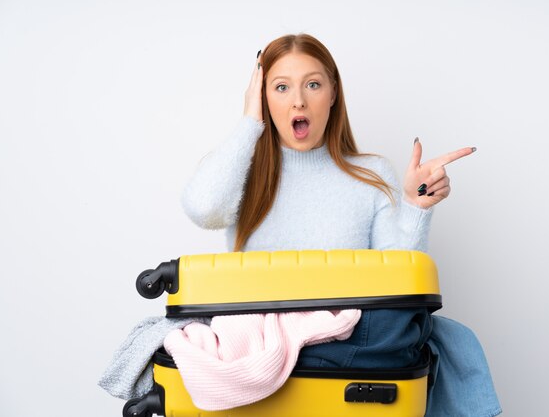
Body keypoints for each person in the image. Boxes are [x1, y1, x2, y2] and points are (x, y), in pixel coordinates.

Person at [182, 33, 501, 417]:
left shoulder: (370, 174)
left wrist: (416, 207)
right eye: (281, 87)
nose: (298, 100)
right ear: (264, 97)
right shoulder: (241, 172)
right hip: (263, 341)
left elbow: (397, 288)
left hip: (349, 338)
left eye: (312, 84)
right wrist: (250, 119)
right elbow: (202, 209)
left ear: (332, 93)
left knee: (403, 323)